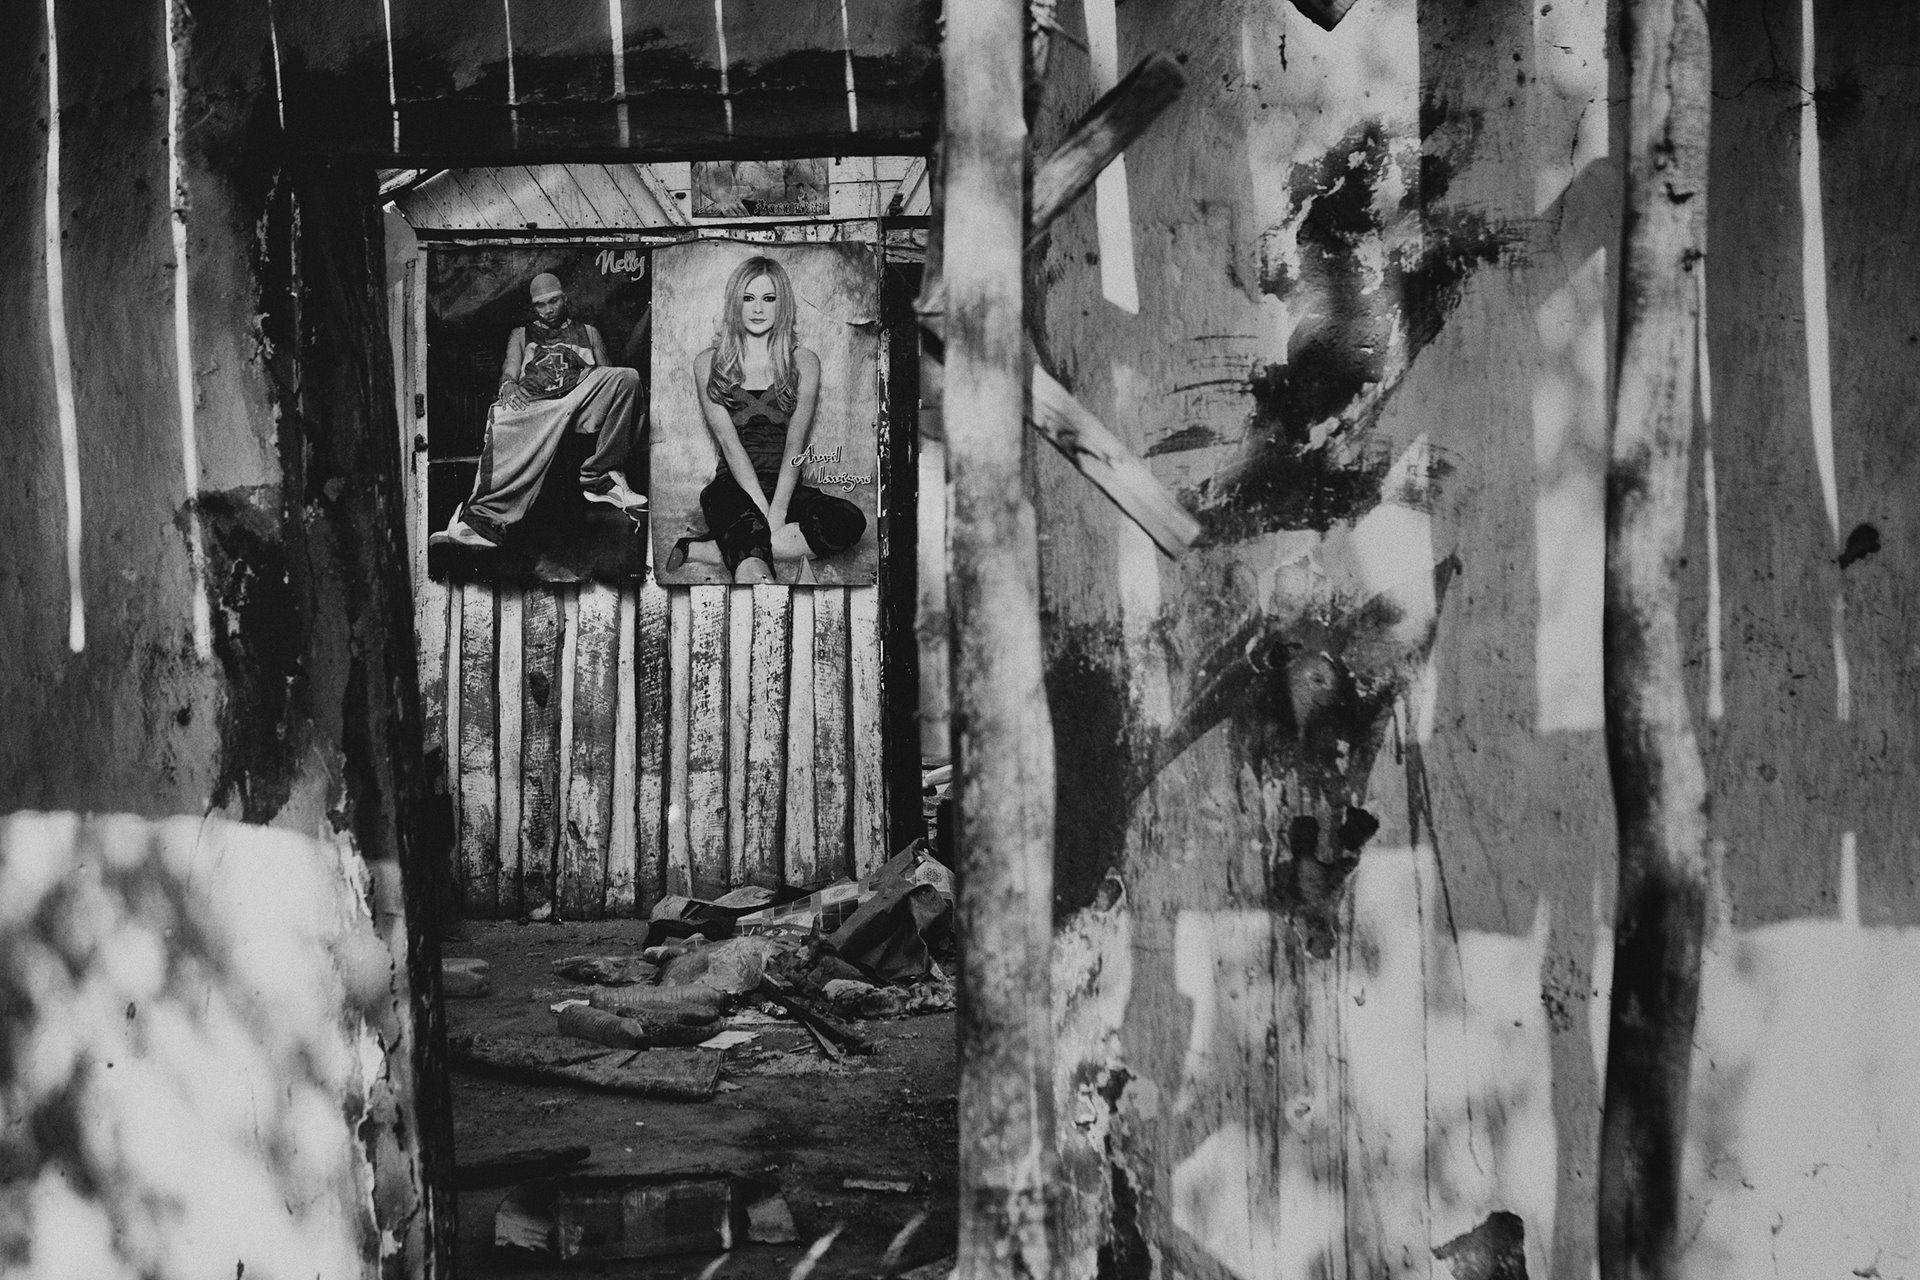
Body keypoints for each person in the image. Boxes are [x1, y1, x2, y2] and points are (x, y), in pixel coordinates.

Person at [668, 255, 865, 584]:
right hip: (733, 485)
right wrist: (762, 508)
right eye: (748, 298)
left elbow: (795, 443)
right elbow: (730, 445)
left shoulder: (804, 362)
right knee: (748, 526)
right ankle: (755, 570)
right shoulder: (709, 362)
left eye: (768, 298)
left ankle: (709, 549)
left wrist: (777, 511)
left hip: (785, 484)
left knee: (847, 521)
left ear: (782, 304)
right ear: (735, 304)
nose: (758, 308)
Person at [433, 272, 646, 549]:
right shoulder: (521, 334)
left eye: (554, 301)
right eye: (541, 305)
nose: (548, 310)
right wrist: (509, 385)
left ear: (564, 298)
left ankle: (601, 478)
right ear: (534, 307)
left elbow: (606, 377)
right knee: (501, 416)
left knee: (627, 378)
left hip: (578, 401)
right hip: (539, 406)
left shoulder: (589, 332)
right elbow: (509, 370)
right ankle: (483, 519)